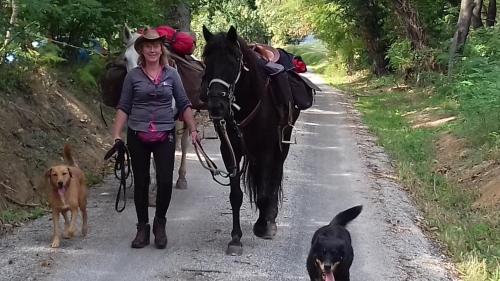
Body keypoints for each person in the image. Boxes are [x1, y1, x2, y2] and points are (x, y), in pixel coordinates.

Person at [111, 28, 199, 249]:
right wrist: (116, 134)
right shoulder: (132, 76)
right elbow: (123, 106)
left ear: (161, 49)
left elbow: (183, 102)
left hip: (165, 133)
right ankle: (142, 228)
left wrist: (194, 128)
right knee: (141, 183)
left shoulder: (172, 75)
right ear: (141, 50)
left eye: (156, 46)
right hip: (137, 134)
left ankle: (160, 223)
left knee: (165, 182)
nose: (152, 49)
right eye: (147, 46)